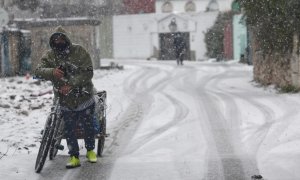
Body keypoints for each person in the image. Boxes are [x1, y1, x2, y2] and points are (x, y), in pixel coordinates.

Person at [35, 26, 97, 169]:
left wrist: (71, 84)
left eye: (61, 38)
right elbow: (38, 70)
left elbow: (88, 72)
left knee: (88, 126)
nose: (59, 41)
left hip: (83, 96)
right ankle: (74, 156)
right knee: (69, 129)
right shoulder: (50, 56)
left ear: (66, 39)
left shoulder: (79, 51)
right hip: (64, 99)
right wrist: (52, 72)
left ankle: (90, 151)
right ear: (52, 41)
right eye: (56, 39)